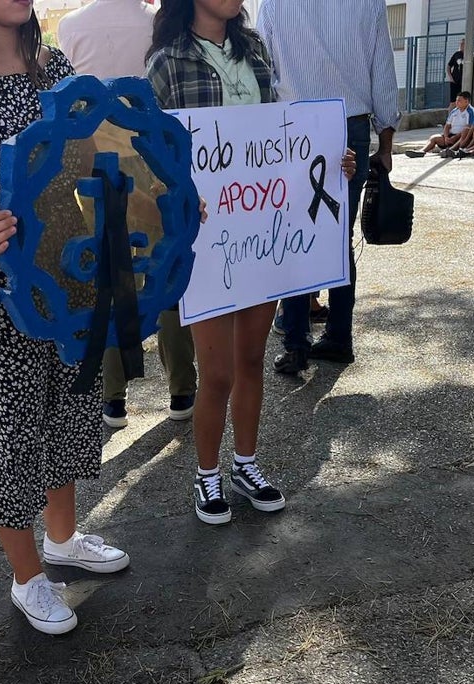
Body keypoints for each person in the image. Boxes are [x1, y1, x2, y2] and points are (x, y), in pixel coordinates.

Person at [0, 0, 131, 635]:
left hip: (68, 278)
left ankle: (62, 541)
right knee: (11, 430)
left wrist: (154, 197)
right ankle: (27, 577)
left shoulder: (53, 65)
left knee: (69, 410)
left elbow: (99, 156)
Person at [144, 0, 288, 524]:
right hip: (206, 240)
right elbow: (148, 151)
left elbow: (282, 138)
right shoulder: (167, 61)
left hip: (260, 232)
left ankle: (245, 464)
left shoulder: (255, 53)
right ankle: (207, 475)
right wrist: (176, 190)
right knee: (218, 372)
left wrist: (328, 158)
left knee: (252, 359)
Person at [57, 0, 198, 430]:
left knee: (110, 276)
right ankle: (181, 387)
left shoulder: (69, 26)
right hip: (150, 158)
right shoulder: (157, 21)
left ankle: (112, 397)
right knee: (167, 270)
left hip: (95, 165)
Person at [256, 0, 399, 375]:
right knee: (337, 236)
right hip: (347, 122)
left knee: (293, 235)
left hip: (292, 123)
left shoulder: (273, 3)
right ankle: (338, 336)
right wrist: (385, 143)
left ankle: (296, 342)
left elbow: (263, 67)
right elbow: (381, 66)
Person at [409, 91, 474, 157]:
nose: (457, 102)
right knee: (434, 137)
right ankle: (422, 151)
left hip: (461, 137)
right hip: (450, 136)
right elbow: (447, 125)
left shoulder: (471, 111)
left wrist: (455, 137)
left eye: (459, 100)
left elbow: (469, 127)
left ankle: (451, 150)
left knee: (466, 130)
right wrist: (446, 137)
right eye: (456, 100)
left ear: (466, 101)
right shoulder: (454, 111)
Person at [447, 39, 465, 106]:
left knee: (462, 101)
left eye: (463, 43)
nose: (462, 45)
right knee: (453, 102)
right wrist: (450, 77)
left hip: (464, 82)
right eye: (461, 43)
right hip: (455, 81)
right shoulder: (456, 54)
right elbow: (448, 66)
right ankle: (450, 115)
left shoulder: (470, 55)